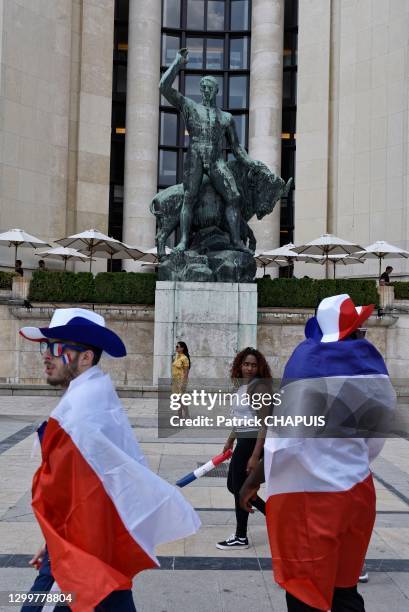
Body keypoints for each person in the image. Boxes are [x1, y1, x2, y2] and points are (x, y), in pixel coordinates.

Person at [20, 308, 200, 611]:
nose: (46, 356)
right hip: (92, 543)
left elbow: (68, 489)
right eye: (45, 347)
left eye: (56, 347)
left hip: (92, 550)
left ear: (86, 357)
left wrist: (59, 543)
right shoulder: (93, 394)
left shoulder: (79, 411)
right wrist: (55, 546)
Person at [240, 294, 396, 611]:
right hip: (357, 492)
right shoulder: (371, 367)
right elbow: (375, 439)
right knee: (345, 592)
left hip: (311, 502)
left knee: (306, 595)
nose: (363, 334)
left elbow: (284, 441)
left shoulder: (306, 364)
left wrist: (254, 480)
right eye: (359, 328)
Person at [160, 48, 253, 253]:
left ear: (216, 90)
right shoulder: (190, 107)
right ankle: (184, 241)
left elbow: (237, 149)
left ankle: (236, 241)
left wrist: (251, 163)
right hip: (194, 158)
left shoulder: (226, 118)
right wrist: (177, 63)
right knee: (189, 197)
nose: (205, 90)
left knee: (234, 196)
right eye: (202, 87)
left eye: (208, 87)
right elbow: (164, 87)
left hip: (215, 161)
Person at [216, 347, 272, 550]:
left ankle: (241, 536)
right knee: (235, 487)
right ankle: (275, 517)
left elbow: (264, 424)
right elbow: (241, 417)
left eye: (254, 365)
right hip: (243, 439)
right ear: (240, 365)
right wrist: (231, 438)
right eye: (246, 364)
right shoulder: (241, 386)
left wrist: (255, 455)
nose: (249, 368)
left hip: (252, 443)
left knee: (240, 489)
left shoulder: (258, 388)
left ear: (259, 368)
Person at [172, 341, 191, 418]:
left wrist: (184, 383)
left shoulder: (185, 358)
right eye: (176, 346)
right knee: (177, 398)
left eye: (177, 346)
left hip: (181, 381)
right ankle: (180, 415)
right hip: (175, 381)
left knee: (182, 398)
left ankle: (187, 414)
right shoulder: (177, 356)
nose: (176, 348)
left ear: (182, 348)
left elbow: (186, 372)